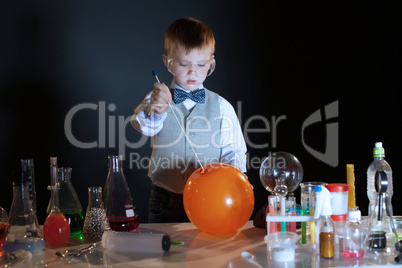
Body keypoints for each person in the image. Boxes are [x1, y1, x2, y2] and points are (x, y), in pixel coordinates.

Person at [131, 17, 247, 223]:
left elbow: (233, 150)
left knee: (205, 252)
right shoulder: (159, 98)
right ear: (168, 62)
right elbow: (144, 126)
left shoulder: (221, 106)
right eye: (184, 64)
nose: (193, 72)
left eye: (201, 64)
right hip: (165, 199)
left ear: (211, 63)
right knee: (164, 254)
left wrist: (228, 182)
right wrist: (157, 111)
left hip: (210, 199)